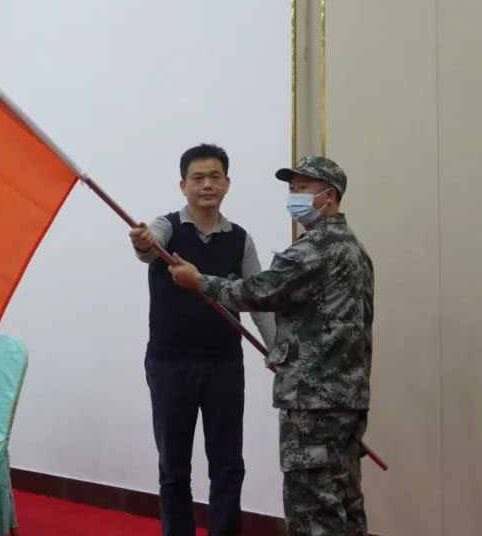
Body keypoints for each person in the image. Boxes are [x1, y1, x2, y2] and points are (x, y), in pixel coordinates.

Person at [168, 155, 373, 536]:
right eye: (291, 189)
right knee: (345, 503)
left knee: (314, 511)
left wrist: (199, 281)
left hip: (313, 402)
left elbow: (258, 292)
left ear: (328, 196)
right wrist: (285, 350)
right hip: (346, 397)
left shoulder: (315, 249)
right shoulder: (354, 248)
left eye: (303, 189)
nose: (294, 196)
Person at [129, 143, 275, 536]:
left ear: (227, 183)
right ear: (183, 185)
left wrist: (276, 348)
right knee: (173, 467)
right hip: (169, 365)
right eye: (197, 178)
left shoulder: (240, 239)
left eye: (214, 177)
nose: (206, 185)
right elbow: (147, 246)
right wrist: (142, 240)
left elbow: (258, 301)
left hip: (224, 365)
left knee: (228, 465)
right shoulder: (166, 228)